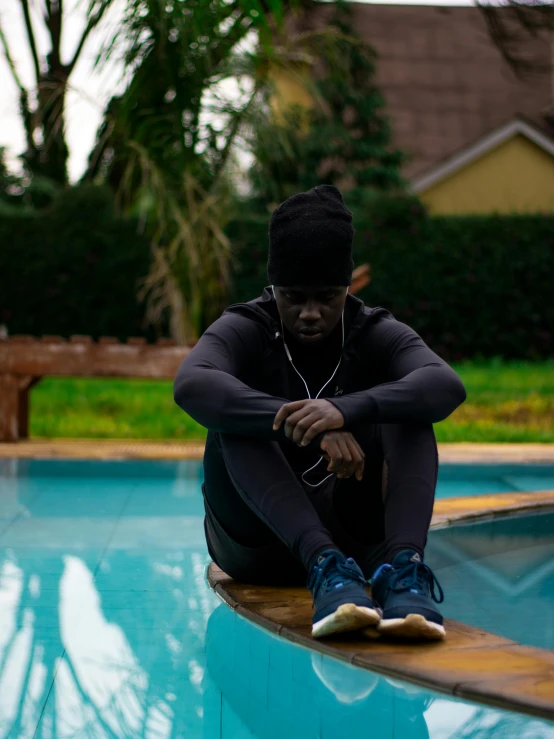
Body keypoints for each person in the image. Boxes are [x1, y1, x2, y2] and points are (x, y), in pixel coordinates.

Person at [174, 185, 466, 641]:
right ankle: (323, 565)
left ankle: (405, 570)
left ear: (348, 288)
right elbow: (192, 384)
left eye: (327, 297)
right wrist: (304, 425)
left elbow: (445, 385)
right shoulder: (250, 325)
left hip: (356, 540)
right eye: (294, 297)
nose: (310, 313)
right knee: (232, 419)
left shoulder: (371, 328)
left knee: (411, 409)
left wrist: (344, 410)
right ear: (273, 287)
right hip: (255, 547)